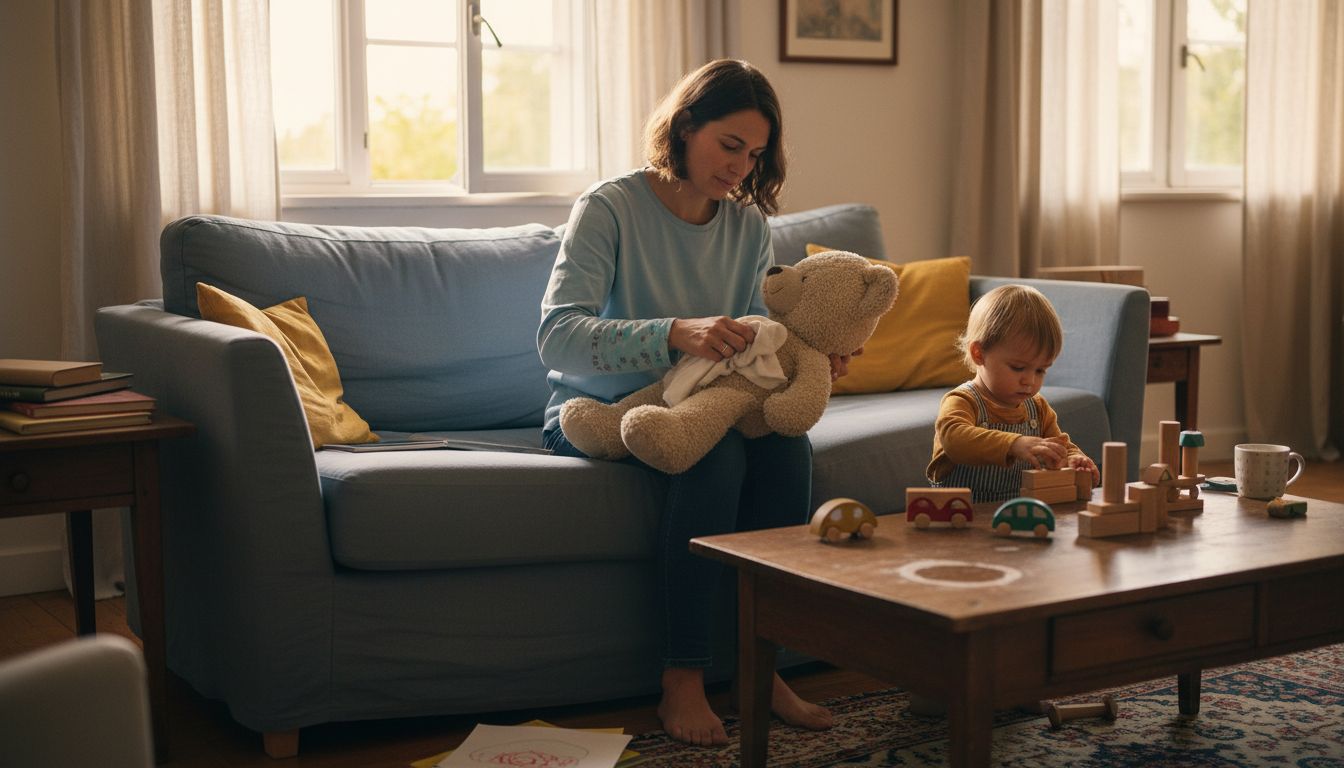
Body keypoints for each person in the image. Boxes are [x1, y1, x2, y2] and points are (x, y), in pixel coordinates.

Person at [537, 59, 843, 747]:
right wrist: (674, 333)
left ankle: (765, 667)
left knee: (788, 450)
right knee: (715, 459)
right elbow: (556, 339)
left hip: (703, 405)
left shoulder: (746, 230)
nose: (740, 167)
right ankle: (683, 676)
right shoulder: (609, 208)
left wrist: (803, 358)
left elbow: (745, 351)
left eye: (755, 154)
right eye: (729, 145)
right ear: (684, 128)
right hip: (596, 413)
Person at [926, 283, 1099, 502]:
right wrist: (1013, 444)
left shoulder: (1037, 407)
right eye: (1018, 368)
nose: (1030, 381)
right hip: (962, 512)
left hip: (1019, 510)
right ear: (979, 354)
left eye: (1040, 370)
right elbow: (954, 440)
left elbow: (1058, 445)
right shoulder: (963, 401)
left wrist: (1074, 458)